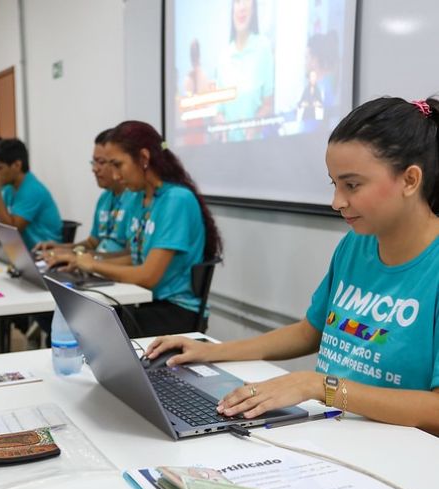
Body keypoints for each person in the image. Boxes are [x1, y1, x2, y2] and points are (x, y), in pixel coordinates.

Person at [146, 97, 439, 434]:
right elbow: (309, 331)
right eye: (335, 184)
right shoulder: (357, 244)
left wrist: (321, 386)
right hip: (336, 429)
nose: (337, 202)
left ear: (410, 180)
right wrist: (212, 350)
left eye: (352, 185)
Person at [49, 121, 222, 337]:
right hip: (143, 299)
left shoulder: (176, 200)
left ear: (143, 158)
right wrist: (81, 259)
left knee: (86, 330)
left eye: (118, 165)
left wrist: (93, 263)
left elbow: (148, 276)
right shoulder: (139, 198)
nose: (114, 175)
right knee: (79, 317)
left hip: (174, 310)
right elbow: (135, 257)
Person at [36, 129, 135, 255]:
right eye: (94, 162)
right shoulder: (104, 198)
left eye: (101, 162)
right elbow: (92, 243)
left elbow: (133, 256)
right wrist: (62, 248)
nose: (94, 169)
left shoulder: (135, 199)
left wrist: (88, 259)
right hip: (97, 268)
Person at [0, 138, 62, 250]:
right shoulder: (8, 188)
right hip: (20, 251)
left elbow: (11, 230)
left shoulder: (33, 189)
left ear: (17, 165)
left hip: (43, 252)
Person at [216, 0, 274, 141]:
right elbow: (218, 112)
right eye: (237, 2)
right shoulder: (223, 56)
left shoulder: (263, 48)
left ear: (253, 9)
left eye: (246, 2)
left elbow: (268, 105)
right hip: (227, 150)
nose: (242, 7)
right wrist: (220, 125)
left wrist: (254, 124)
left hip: (255, 149)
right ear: (232, 8)